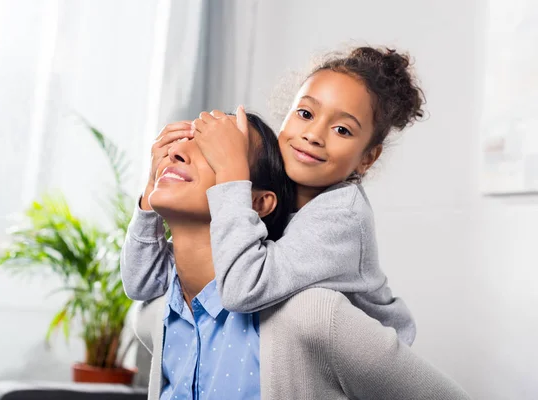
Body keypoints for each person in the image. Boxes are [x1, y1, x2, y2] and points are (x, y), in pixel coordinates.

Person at [128, 113, 470, 399]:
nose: (176, 154)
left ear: (257, 202)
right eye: (181, 143)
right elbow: (138, 279)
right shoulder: (158, 316)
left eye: (215, 152)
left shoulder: (312, 315)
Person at [122, 47, 422, 345]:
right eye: (305, 113)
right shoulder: (263, 194)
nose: (314, 135)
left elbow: (242, 290)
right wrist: (151, 192)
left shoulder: (342, 216)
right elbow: (143, 283)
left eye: (342, 130)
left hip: (365, 372)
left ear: (367, 158)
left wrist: (231, 171)